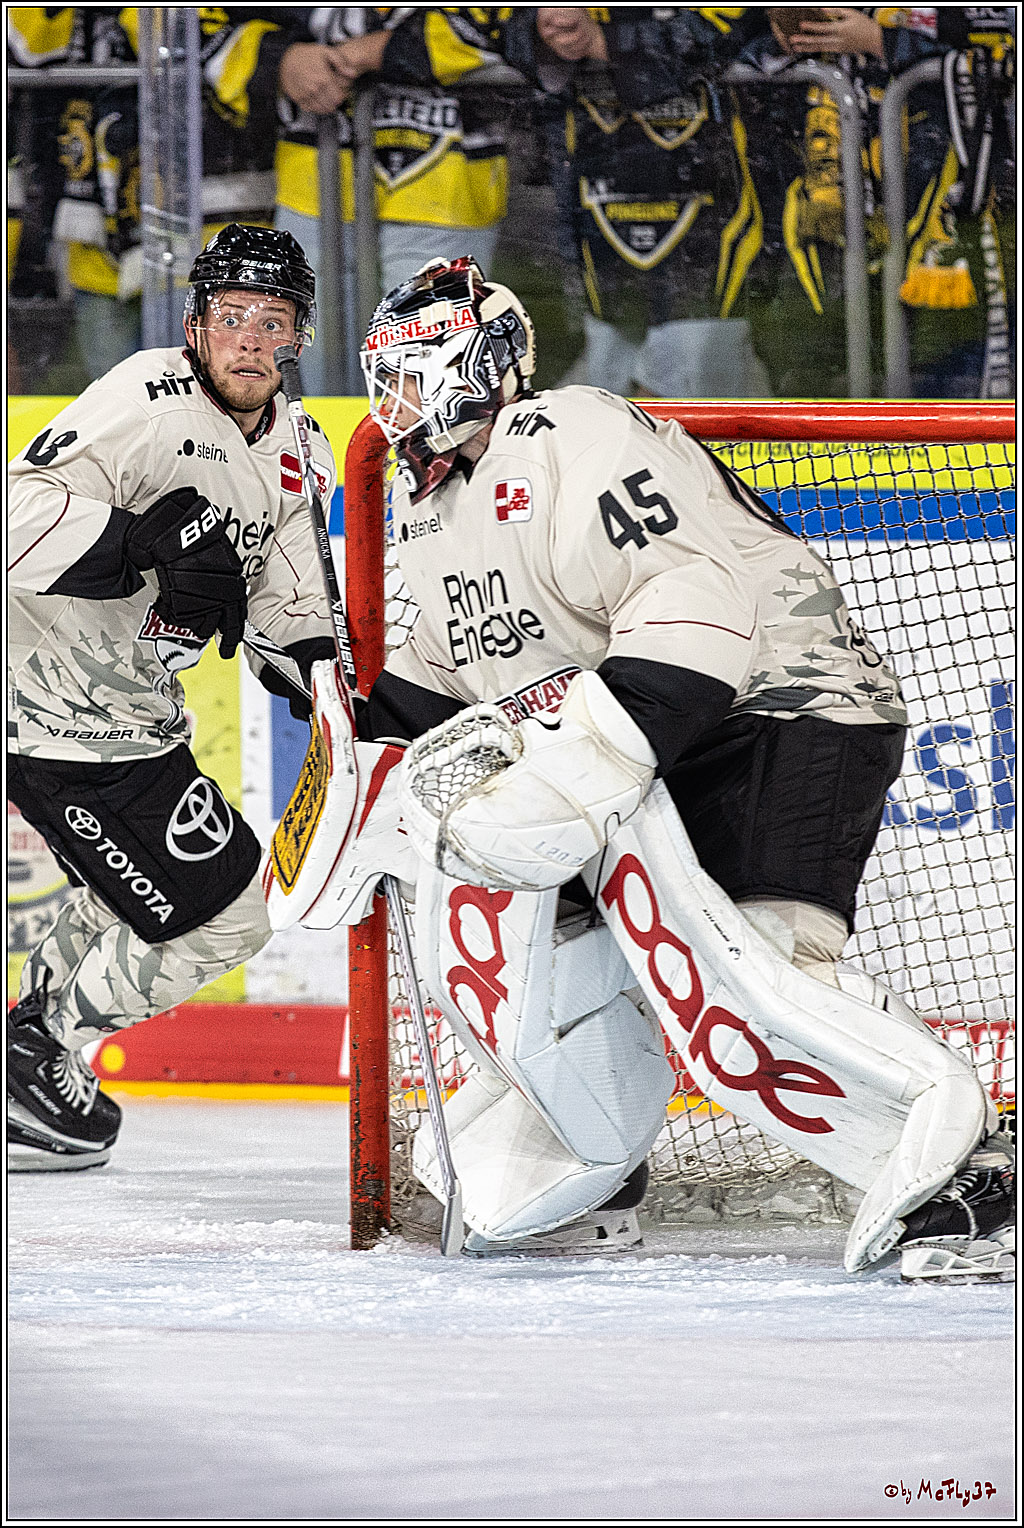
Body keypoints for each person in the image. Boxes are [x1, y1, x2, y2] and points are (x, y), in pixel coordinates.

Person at [344, 256, 1013, 1278]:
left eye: (411, 368)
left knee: (757, 964)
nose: (390, 399)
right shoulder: (430, 504)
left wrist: (582, 779)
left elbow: (692, 610)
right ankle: (594, 1159)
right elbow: (443, 681)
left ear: (482, 357)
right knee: (563, 957)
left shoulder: (574, 430)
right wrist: (337, 721)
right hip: (647, 735)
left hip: (785, 703)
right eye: (379, 376)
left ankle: (976, 1166)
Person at [7, 223, 337, 1171]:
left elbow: (286, 588)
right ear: (195, 324)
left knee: (131, 905)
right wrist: (144, 542)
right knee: (234, 912)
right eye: (228, 316)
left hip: (139, 722)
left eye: (270, 321)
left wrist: (319, 675)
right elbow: (14, 517)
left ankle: (28, 1042)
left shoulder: (301, 448)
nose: (247, 340)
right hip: (54, 719)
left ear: (296, 337)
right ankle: (36, 1047)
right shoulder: (145, 399)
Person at [274, 6, 509, 394]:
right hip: (313, 174)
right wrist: (281, 58)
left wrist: (392, 48)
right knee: (308, 387)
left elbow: (531, 27)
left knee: (431, 387)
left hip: (447, 180)